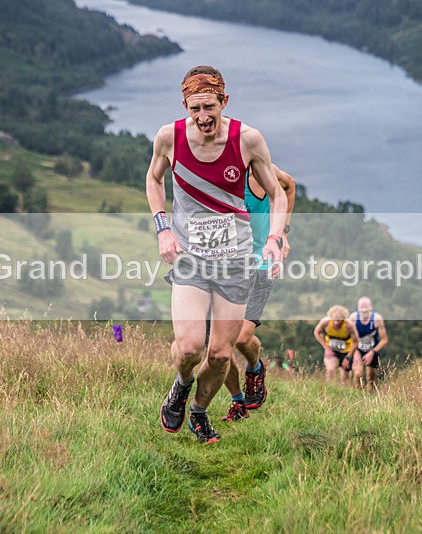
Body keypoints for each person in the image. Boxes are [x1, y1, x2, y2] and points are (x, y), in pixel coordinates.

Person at [148, 65, 287, 443]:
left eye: (210, 107)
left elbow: (278, 193)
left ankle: (199, 412)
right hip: (191, 259)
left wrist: (275, 237)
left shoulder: (247, 139)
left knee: (222, 354)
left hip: (235, 261)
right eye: (195, 110)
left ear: (224, 101)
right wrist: (163, 228)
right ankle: (180, 385)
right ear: (185, 106)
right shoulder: (169, 137)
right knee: (190, 347)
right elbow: (154, 178)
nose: (203, 117)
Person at [220, 163, 296, 423]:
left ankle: (255, 369)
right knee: (219, 346)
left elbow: (290, 185)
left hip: (261, 265)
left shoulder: (263, 171)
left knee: (241, 338)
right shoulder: (221, 172)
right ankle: (237, 402)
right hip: (228, 268)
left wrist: (283, 233)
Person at [349, 296, 388, 393]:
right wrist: (355, 352)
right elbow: (349, 338)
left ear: (371, 307)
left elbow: (384, 340)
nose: (364, 309)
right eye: (361, 307)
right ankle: (355, 397)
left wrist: (372, 352)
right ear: (358, 308)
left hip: (372, 349)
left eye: (366, 307)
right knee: (358, 374)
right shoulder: (353, 318)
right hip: (357, 348)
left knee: (370, 379)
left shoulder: (377, 319)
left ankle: (370, 401)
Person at [313, 305, 358, 384]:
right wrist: (326, 347)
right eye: (334, 320)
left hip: (346, 352)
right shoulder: (325, 322)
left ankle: (343, 394)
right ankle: (330, 391)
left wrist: (348, 357)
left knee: (345, 379)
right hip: (332, 350)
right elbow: (316, 332)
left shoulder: (349, 326)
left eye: (339, 321)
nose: (336, 323)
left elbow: (356, 342)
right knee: (330, 370)